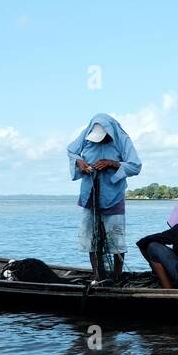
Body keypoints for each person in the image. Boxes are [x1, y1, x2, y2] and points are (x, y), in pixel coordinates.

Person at [67, 113, 142, 281]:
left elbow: (135, 166)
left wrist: (112, 163)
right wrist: (80, 162)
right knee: (91, 237)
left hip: (113, 196)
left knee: (116, 238)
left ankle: (116, 276)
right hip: (90, 193)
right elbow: (71, 151)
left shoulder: (122, 139)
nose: (99, 141)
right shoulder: (86, 136)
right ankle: (97, 273)